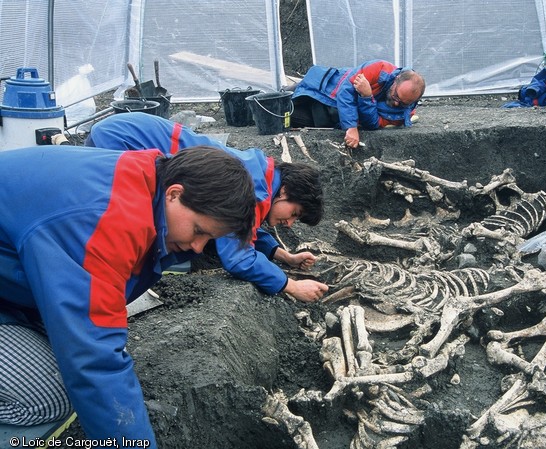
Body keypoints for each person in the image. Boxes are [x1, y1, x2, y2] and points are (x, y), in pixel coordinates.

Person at [0, 145, 256, 446]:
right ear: (174, 194)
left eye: (209, 239)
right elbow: (93, 360)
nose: (198, 248)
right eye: (199, 231)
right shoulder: (104, 222)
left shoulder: (143, 183)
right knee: (48, 397)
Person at [86, 112, 329, 303]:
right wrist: (292, 286)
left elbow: (242, 227)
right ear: (284, 192)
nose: (289, 223)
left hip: (121, 130)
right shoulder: (252, 187)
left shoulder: (261, 176)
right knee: (130, 231)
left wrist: (282, 255)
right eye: (294, 214)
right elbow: (238, 258)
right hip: (122, 142)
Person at [290, 59, 425, 148]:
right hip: (325, 87)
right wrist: (351, 126)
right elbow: (345, 90)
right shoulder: (380, 68)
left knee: (287, 115)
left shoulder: (402, 114)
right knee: (290, 94)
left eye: (402, 103)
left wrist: (366, 96)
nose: (396, 104)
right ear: (396, 79)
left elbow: (372, 123)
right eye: (396, 96)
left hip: (329, 113)